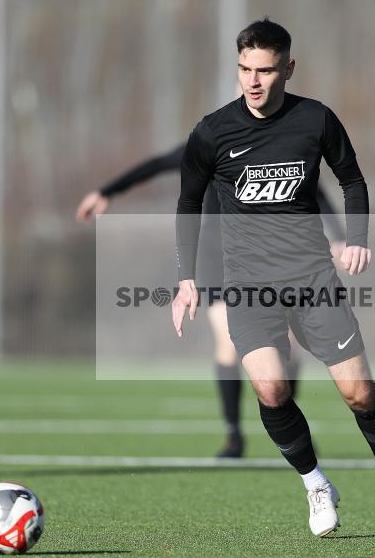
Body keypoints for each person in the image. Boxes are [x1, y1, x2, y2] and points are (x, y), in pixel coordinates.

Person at [172, 18, 375, 537]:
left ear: (288, 68)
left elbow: (351, 178)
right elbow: (188, 202)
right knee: (271, 388)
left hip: (312, 278)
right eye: (245, 69)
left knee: (357, 393)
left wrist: (356, 237)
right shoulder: (212, 131)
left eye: (265, 70)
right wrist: (186, 278)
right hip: (247, 285)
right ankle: (315, 483)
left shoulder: (315, 119)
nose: (253, 81)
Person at [77, 145, 344, 458]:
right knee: (229, 341)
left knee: (287, 347)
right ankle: (234, 437)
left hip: (270, 255)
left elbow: (313, 188)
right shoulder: (212, 141)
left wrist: (338, 236)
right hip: (217, 255)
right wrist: (106, 191)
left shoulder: (280, 141)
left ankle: (291, 424)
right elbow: (158, 163)